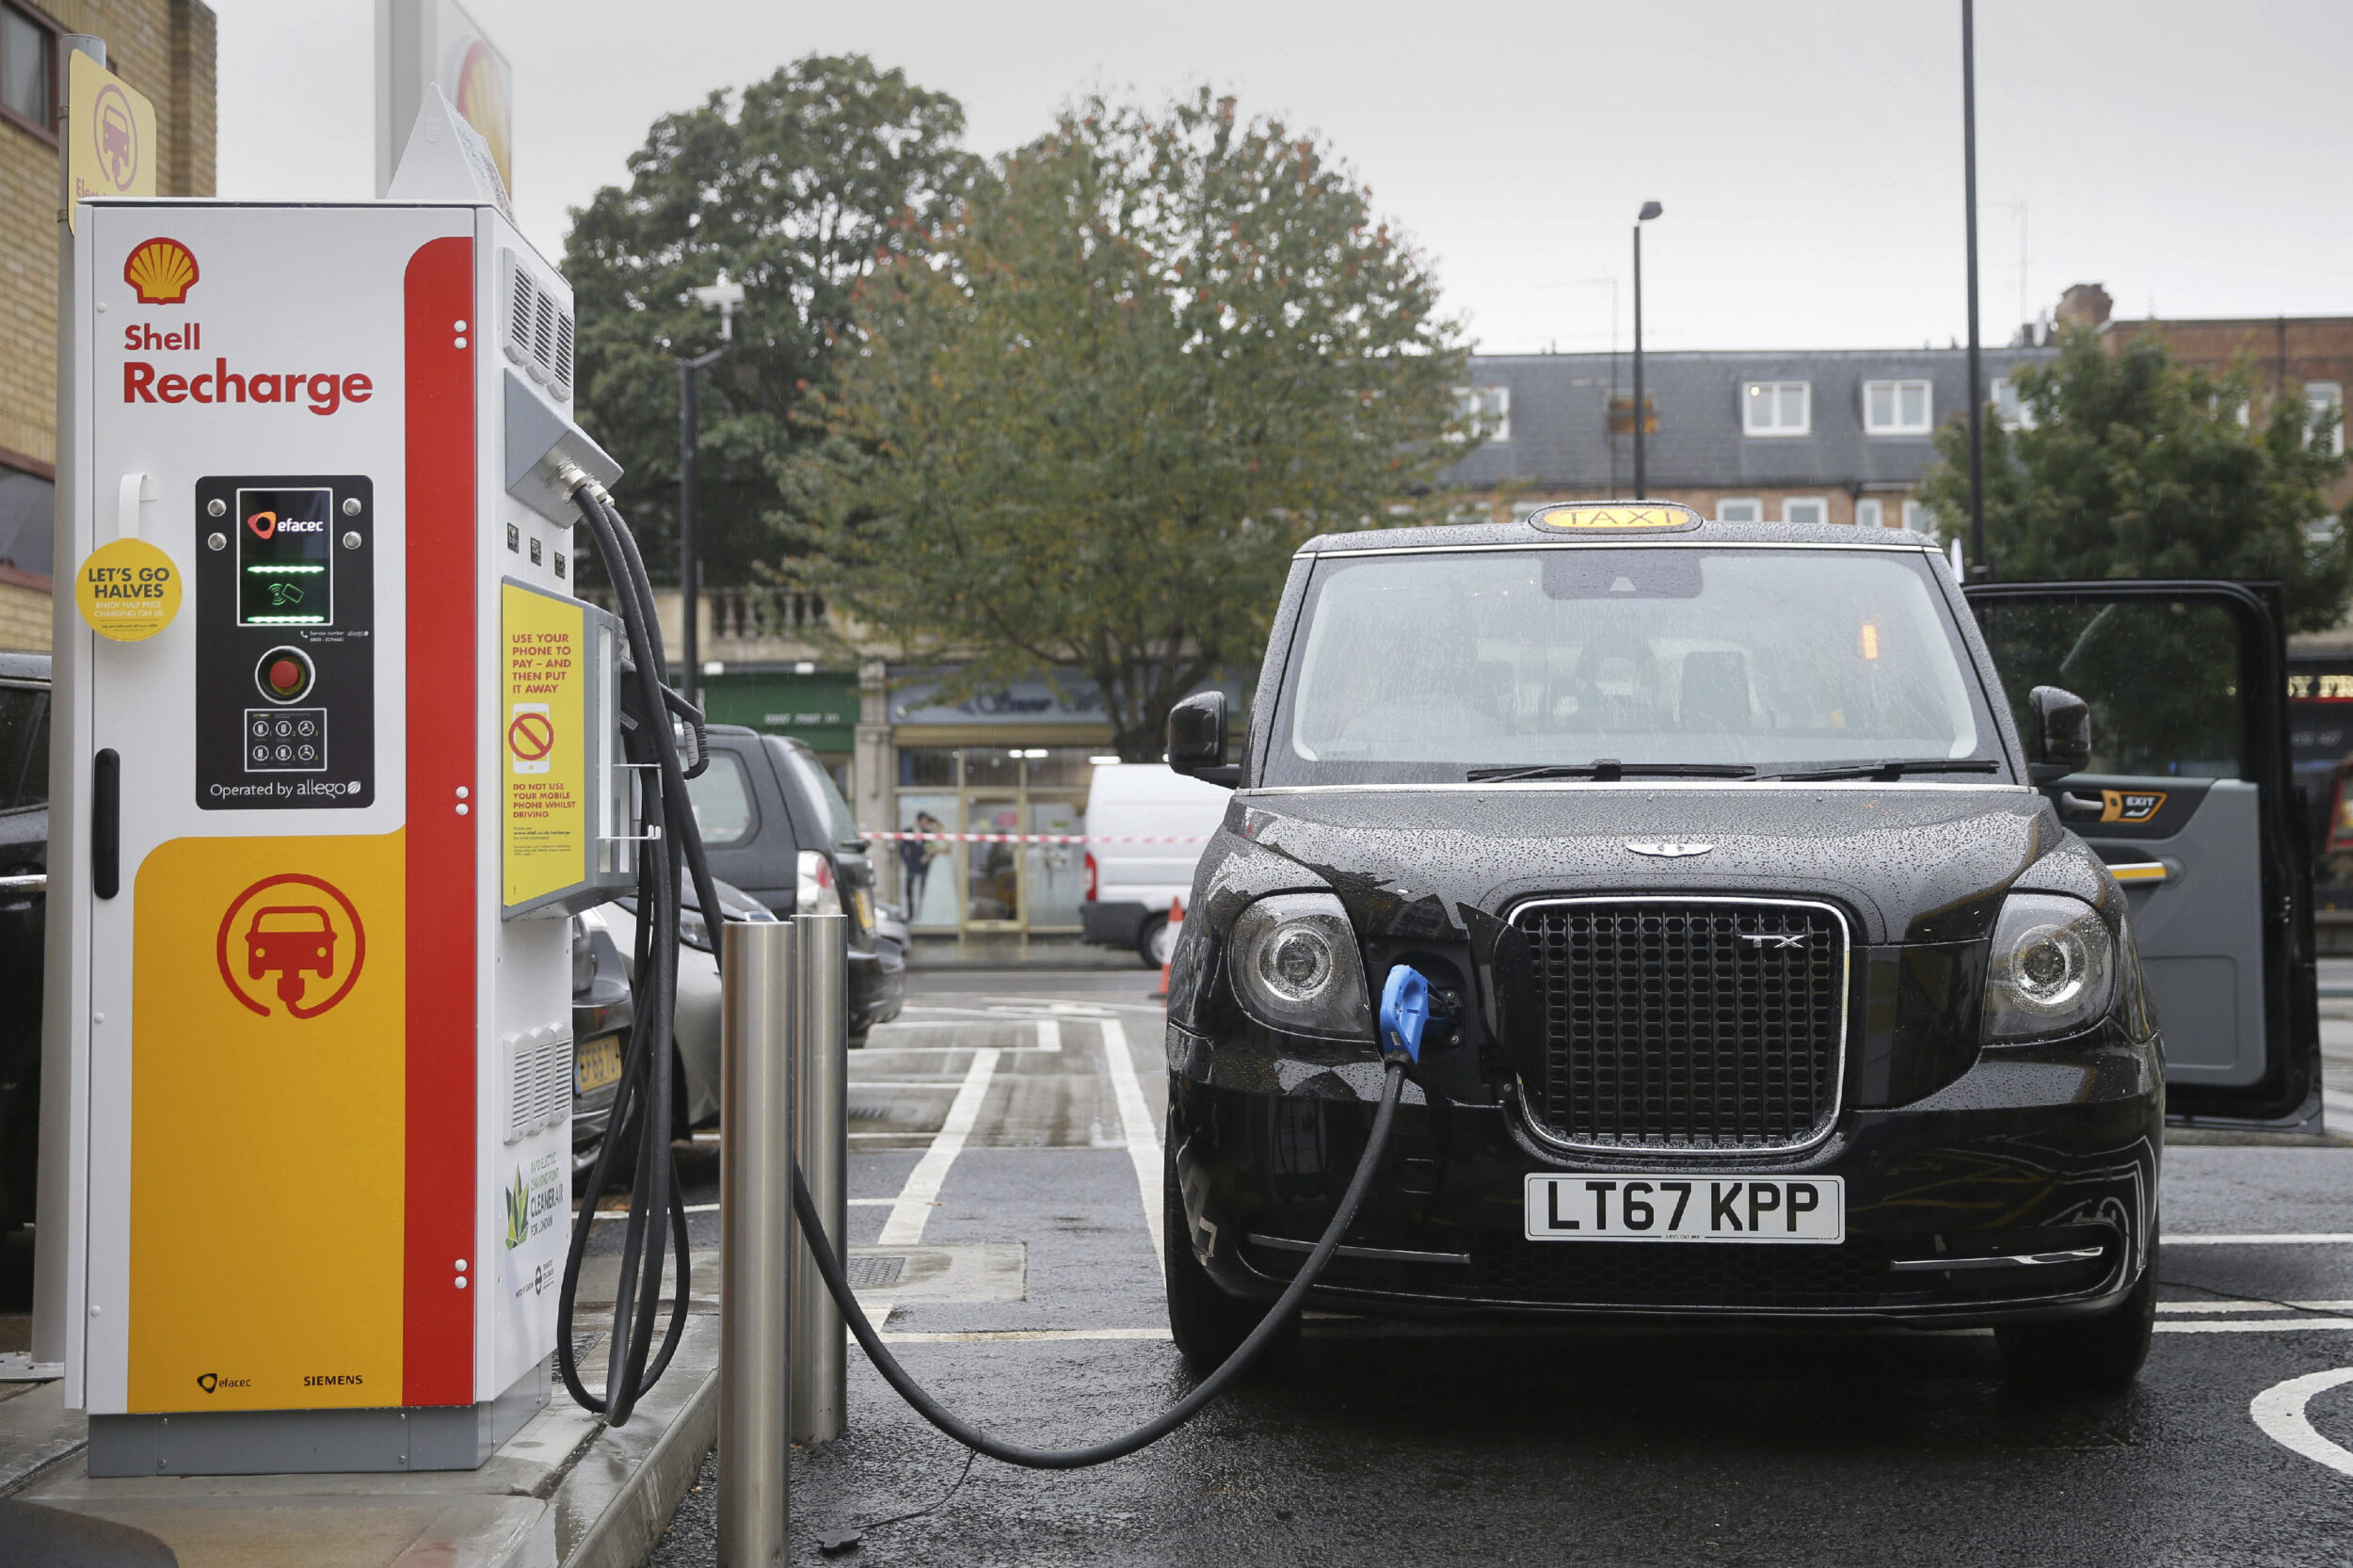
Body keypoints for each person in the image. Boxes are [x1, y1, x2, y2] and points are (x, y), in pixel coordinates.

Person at [901, 810, 944, 913]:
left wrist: (927, 856)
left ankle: (921, 912)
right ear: (918, 821)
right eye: (924, 821)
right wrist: (907, 861)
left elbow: (932, 846)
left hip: (924, 865)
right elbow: (902, 849)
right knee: (909, 889)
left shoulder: (927, 833)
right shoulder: (907, 831)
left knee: (923, 889)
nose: (925, 824)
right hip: (911, 865)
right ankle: (910, 913)